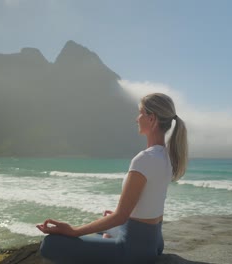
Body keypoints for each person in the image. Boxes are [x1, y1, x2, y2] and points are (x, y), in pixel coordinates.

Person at [37, 93, 188, 263]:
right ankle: (108, 237)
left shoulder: (145, 159)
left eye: (140, 113)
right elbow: (144, 207)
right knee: (104, 224)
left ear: (151, 118)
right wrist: (119, 222)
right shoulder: (166, 156)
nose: (136, 119)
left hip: (132, 251)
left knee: (50, 244)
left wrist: (73, 231)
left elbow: (120, 217)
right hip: (154, 242)